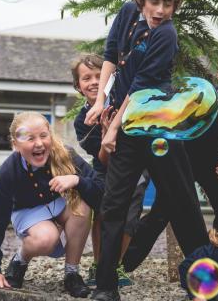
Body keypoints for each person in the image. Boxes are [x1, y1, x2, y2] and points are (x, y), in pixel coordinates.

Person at [85, 0, 208, 301]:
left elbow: (140, 87)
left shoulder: (166, 34)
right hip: (127, 127)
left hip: (158, 125)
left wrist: (111, 129)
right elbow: (111, 57)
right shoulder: (127, 12)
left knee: (183, 201)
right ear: (141, 0)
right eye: (154, 2)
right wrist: (100, 102)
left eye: (168, 3)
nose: (160, 10)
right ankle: (106, 286)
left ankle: (208, 285)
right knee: (113, 204)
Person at [122, 46, 218, 272]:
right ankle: (124, 264)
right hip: (182, 161)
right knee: (160, 214)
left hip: (211, 163)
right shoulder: (206, 99)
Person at [0, 111, 104, 298]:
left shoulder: (65, 154)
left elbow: (101, 192)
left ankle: (72, 273)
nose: (38, 143)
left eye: (43, 136)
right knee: (46, 239)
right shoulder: (10, 169)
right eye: (30, 138)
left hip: (58, 205)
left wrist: (77, 180)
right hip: (27, 212)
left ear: (50, 136)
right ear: (15, 144)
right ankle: (19, 261)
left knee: (82, 206)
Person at [71, 53, 150, 287]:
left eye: (99, 76)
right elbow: (104, 161)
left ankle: (117, 265)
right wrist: (106, 133)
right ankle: (99, 263)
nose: (94, 81)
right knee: (105, 211)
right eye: (86, 78)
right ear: (78, 86)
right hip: (105, 171)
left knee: (130, 218)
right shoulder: (82, 120)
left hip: (135, 169)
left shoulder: (124, 104)